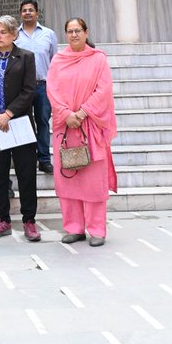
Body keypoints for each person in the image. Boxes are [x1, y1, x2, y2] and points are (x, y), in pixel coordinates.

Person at [46, 17, 118, 247]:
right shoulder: (59, 60)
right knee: (68, 178)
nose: (74, 35)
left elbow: (103, 90)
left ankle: (97, 229)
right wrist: (67, 113)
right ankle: (74, 228)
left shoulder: (98, 60)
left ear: (86, 33)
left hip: (90, 125)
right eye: (70, 31)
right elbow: (52, 90)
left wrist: (83, 112)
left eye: (78, 30)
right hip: (65, 126)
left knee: (93, 181)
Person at [0, 15, 40, 241]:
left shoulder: (26, 57)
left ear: (14, 34)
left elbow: (29, 90)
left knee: (26, 174)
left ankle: (29, 221)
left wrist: (8, 114)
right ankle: (2, 220)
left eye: (2, 32)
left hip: (19, 123)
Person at [14, 0, 59, 175]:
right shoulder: (15, 36)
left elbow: (55, 61)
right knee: (22, 122)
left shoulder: (48, 34)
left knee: (42, 121)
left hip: (42, 86)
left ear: (37, 13)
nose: (27, 13)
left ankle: (44, 159)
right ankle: (25, 158)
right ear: (20, 14)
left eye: (31, 10)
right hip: (21, 88)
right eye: (24, 10)